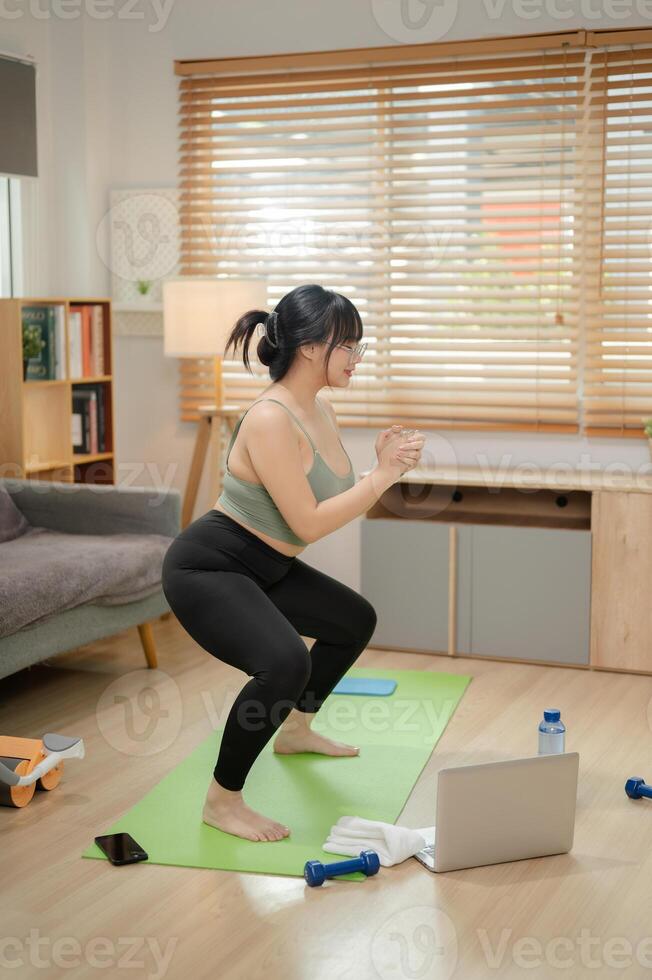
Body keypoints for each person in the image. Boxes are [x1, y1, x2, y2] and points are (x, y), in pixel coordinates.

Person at [161, 283, 424, 843]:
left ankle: (296, 729)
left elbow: (329, 501)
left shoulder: (318, 409)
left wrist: (380, 466)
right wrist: (382, 476)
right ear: (310, 348)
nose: (357, 358)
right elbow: (308, 522)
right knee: (283, 664)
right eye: (349, 346)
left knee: (352, 621)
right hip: (210, 567)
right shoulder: (270, 419)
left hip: (266, 565)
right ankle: (222, 800)